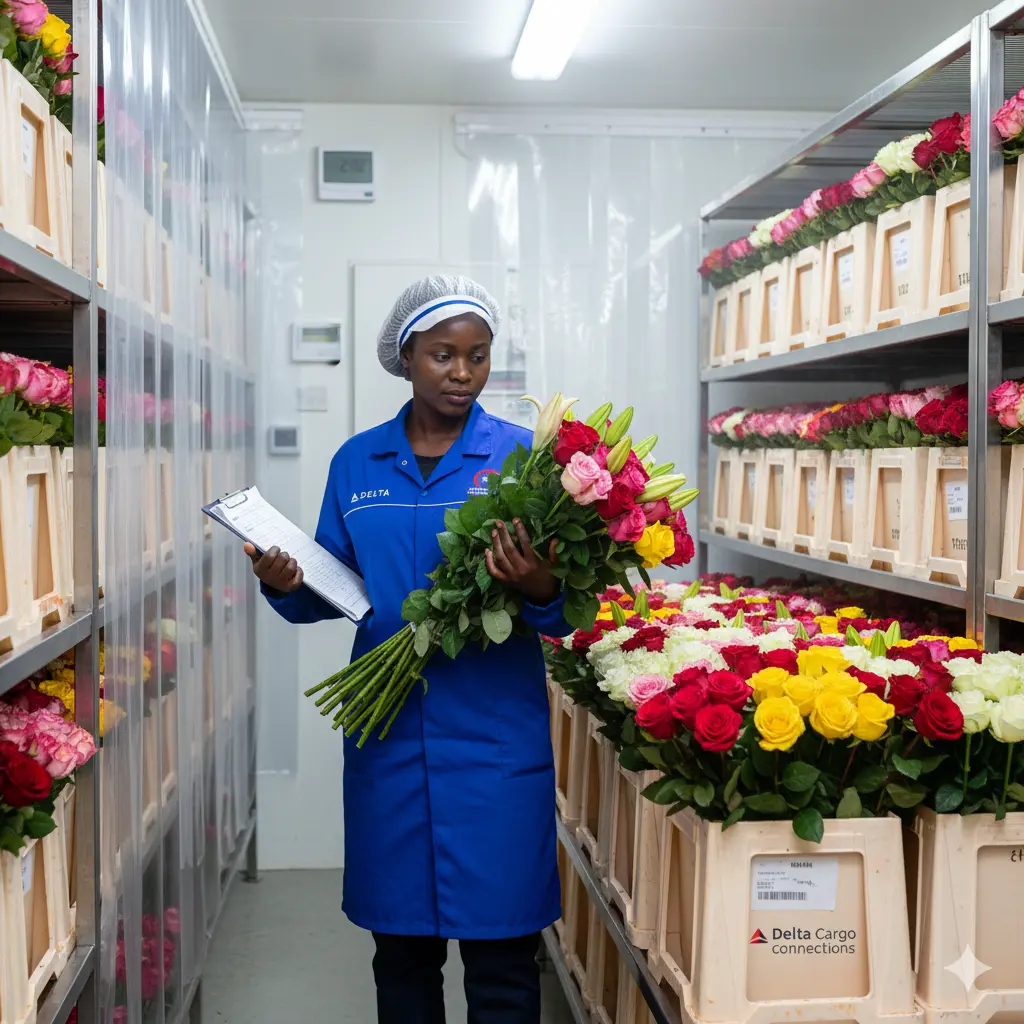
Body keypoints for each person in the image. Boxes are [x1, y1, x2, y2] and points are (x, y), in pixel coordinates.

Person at [245, 276, 567, 1024]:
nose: (462, 373)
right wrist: (285, 580)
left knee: (502, 960)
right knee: (401, 957)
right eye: (443, 356)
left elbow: (564, 615)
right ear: (405, 357)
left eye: (478, 356)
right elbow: (332, 586)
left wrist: (540, 583)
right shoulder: (358, 463)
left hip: (494, 740)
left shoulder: (524, 459)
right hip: (388, 736)